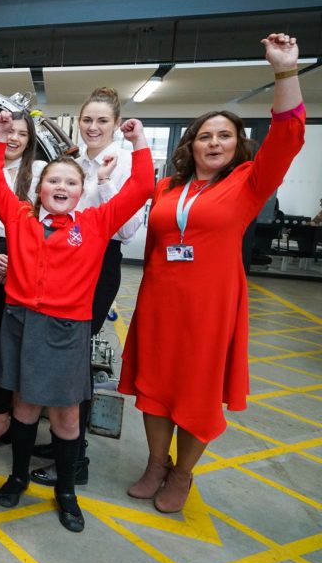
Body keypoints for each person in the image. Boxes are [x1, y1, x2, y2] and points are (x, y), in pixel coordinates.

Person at [119, 33, 306, 514]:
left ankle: (182, 473)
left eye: (225, 135)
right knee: (154, 387)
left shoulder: (249, 183)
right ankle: (156, 464)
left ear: (237, 144)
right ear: (191, 145)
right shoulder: (167, 186)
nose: (215, 142)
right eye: (205, 135)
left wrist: (284, 71)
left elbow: (287, 135)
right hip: (160, 300)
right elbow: (157, 238)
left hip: (210, 306)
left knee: (197, 394)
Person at [0, 111, 153, 533]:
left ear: (83, 191)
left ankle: (66, 491)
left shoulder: (95, 224)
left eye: (71, 183)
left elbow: (142, 187)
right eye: (53, 181)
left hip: (66, 330)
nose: (61, 187)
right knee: (24, 406)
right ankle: (19, 475)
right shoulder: (21, 219)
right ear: (39, 189)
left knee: (67, 417)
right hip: (21, 322)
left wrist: (141, 144)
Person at [30, 87, 144, 487]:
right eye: (87, 120)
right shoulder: (75, 160)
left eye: (102, 121)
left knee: (75, 364)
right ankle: (65, 440)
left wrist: (106, 183)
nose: (93, 127)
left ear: (116, 124)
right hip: (66, 263)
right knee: (60, 358)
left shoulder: (123, 162)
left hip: (100, 265)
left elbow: (128, 231)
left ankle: (76, 461)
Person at [0, 112, 45, 455]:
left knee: (12, 346)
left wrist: (17, 261)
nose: (14, 138)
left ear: (30, 141)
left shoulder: (40, 174)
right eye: (9, 132)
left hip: (23, 258)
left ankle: (5, 415)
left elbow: (47, 225)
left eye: (22, 134)